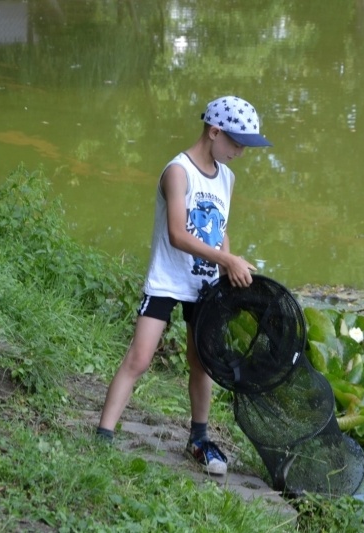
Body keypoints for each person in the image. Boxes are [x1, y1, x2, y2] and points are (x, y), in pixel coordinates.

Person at [96, 96, 272, 476]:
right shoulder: (178, 172)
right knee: (140, 358)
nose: (241, 152)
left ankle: (199, 438)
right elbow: (177, 233)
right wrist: (226, 259)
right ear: (214, 132)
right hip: (166, 280)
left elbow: (220, 227)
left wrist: (227, 261)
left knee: (201, 363)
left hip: (204, 284)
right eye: (237, 143)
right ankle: (103, 436)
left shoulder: (226, 176)